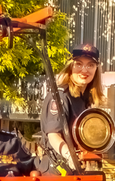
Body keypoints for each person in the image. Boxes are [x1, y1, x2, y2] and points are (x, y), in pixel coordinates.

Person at [40, 43, 106, 173]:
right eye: (79, 64)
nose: (85, 70)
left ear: (96, 69)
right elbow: (53, 135)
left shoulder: (85, 99)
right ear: (70, 66)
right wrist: (70, 156)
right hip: (57, 171)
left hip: (75, 170)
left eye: (90, 65)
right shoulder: (60, 96)